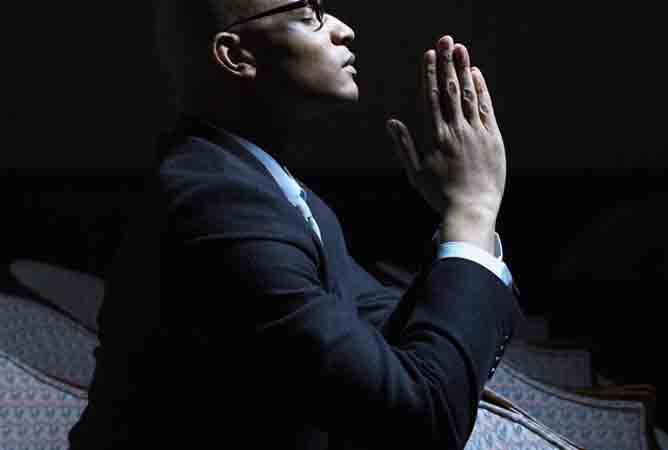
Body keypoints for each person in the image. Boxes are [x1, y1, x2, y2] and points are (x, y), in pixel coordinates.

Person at [68, 1, 524, 448]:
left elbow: (392, 342)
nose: (343, 29)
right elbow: (420, 419)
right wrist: (473, 209)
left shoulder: (271, 192)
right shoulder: (216, 208)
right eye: (310, 16)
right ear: (236, 55)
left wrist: (461, 223)